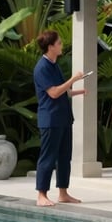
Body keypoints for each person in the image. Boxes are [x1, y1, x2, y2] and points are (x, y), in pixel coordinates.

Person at [33, 30, 87, 207]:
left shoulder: (54, 65)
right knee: (48, 157)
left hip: (63, 118)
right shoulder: (42, 68)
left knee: (64, 157)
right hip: (50, 119)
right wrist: (73, 79)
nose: (61, 45)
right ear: (50, 47)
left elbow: (62, 91)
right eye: (59, 43)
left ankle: (63, 192)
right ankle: (41, 194)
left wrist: (79, 91)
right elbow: (54, 92)